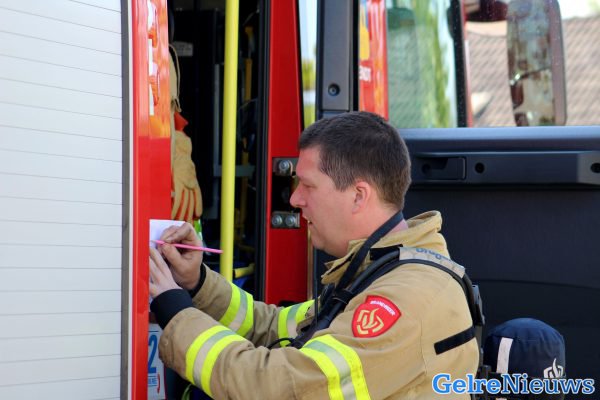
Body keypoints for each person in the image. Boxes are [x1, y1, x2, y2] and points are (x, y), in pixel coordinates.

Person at [149, 111, 479, 399]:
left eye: (308, 185)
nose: (295, 199)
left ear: (358, 196)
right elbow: (272, 327)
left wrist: (176, 314)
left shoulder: (405, 301)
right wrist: (197, 283)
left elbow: (276, 390)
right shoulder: (377, 273)